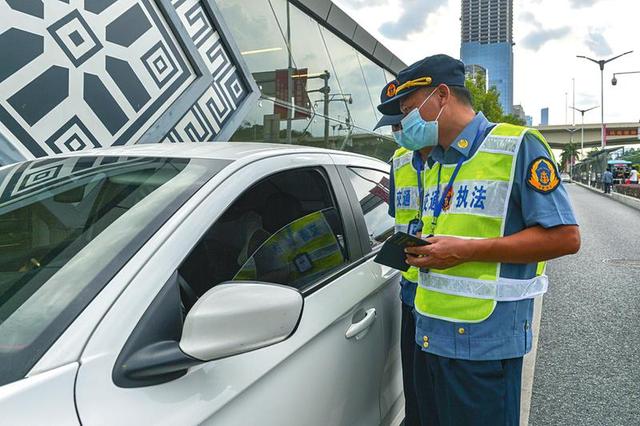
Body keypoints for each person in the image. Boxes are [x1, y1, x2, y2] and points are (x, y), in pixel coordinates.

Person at [378, 54, 581, 426]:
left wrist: (467, 250)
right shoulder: (434, 160)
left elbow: (566, 237)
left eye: (409, 110)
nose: (404, 122)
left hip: (483, 343)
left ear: (441, 96)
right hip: (429, 330)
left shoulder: (517, 146)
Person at [377, 80, 433, 426]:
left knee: (435, 397)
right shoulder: (399, 160)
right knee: (415, 391)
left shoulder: (456, 159)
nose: (399, 131)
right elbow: (398, 214)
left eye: (402, 122)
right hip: (409, 287)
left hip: (443, 291)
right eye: (395, 126)